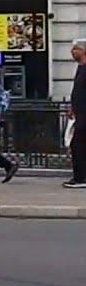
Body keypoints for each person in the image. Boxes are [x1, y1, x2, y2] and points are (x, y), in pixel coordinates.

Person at [67, 38, 86, 188]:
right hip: (79, 113)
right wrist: (72, 107)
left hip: (84, 115)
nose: (72, 52)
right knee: (78, 144)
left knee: (77, 144)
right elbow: (77, 92)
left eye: (75, 49)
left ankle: (81, 178)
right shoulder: (80, 68)